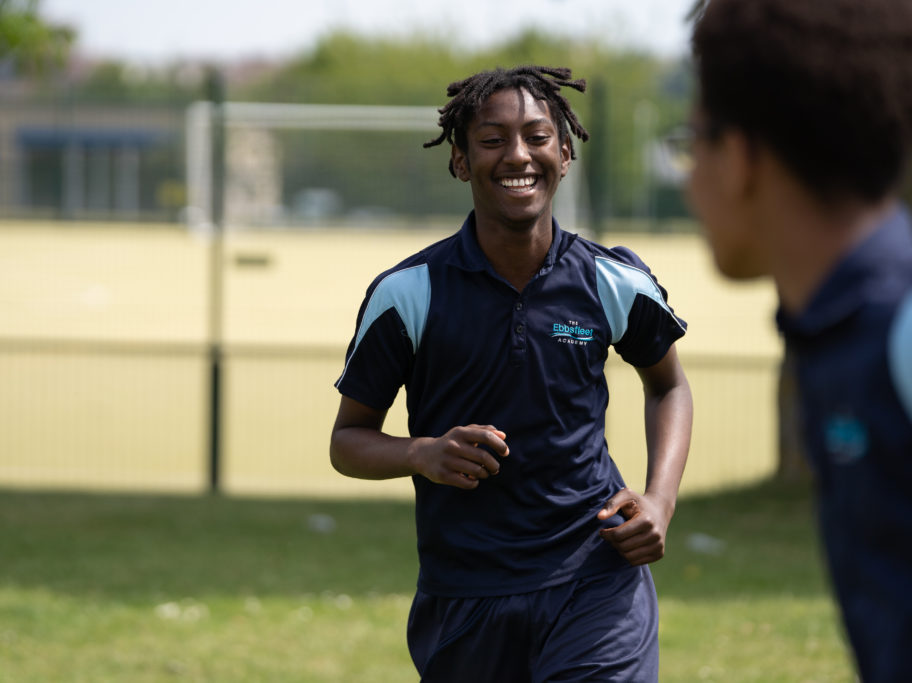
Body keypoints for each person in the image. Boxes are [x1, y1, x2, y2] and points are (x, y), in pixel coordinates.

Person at [329, 65, 693, 682]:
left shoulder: (612, 280)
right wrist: (424, 453)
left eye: (537, 135)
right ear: (461, 161)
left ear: (565, 151)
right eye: (493, 139)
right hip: (466, 593)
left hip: (596, 577)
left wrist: (660, 497)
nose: (518, 155)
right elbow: (347, 441)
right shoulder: (409, 294)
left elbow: (669, 385)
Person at [687, 2, 912, 681]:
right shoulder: (835, 327)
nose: (688, 178)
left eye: (690, 141)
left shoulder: (900, 333)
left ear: (740, 158)